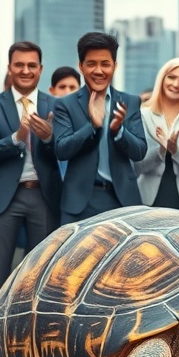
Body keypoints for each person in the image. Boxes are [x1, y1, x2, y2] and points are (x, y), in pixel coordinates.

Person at [0, 41, 61, 309]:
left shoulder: (57, 105)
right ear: (10, 68)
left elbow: (66, 151)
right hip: (5, 196)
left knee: (40, 270)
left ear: (40, 69)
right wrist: (17, 137)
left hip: (43, 193)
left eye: (31, 65)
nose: (25, 70)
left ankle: (32, 327)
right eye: (19, 65)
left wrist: (48, 138)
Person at [53, 32, 145, 224]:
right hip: (79, 202)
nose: (98, 70)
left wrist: (119, 130)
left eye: (105, 64)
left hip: (122, 200)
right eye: (91, 64)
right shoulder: (65, 105)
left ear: (115, 66)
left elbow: (139, 152)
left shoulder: (130, 102)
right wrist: (92, 126)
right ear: (80, 66)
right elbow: (62, 150)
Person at [137, 57, 179, 212]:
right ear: (162, 79)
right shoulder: (143, 114)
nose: (175, 84)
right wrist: (160, 150)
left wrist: (175, 150)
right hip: (147, 201)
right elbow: (137, 167)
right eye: (171, 77)